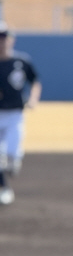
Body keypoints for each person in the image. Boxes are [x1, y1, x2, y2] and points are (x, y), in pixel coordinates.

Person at [0, 21, 41, 205]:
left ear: (11, 40)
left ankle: (11, 166)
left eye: (4, 38)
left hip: (15, 115)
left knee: (13, 157)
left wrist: (33, 99)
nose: (1, 42)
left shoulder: (21, 61)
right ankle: (4, 189)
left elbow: (35, 81)